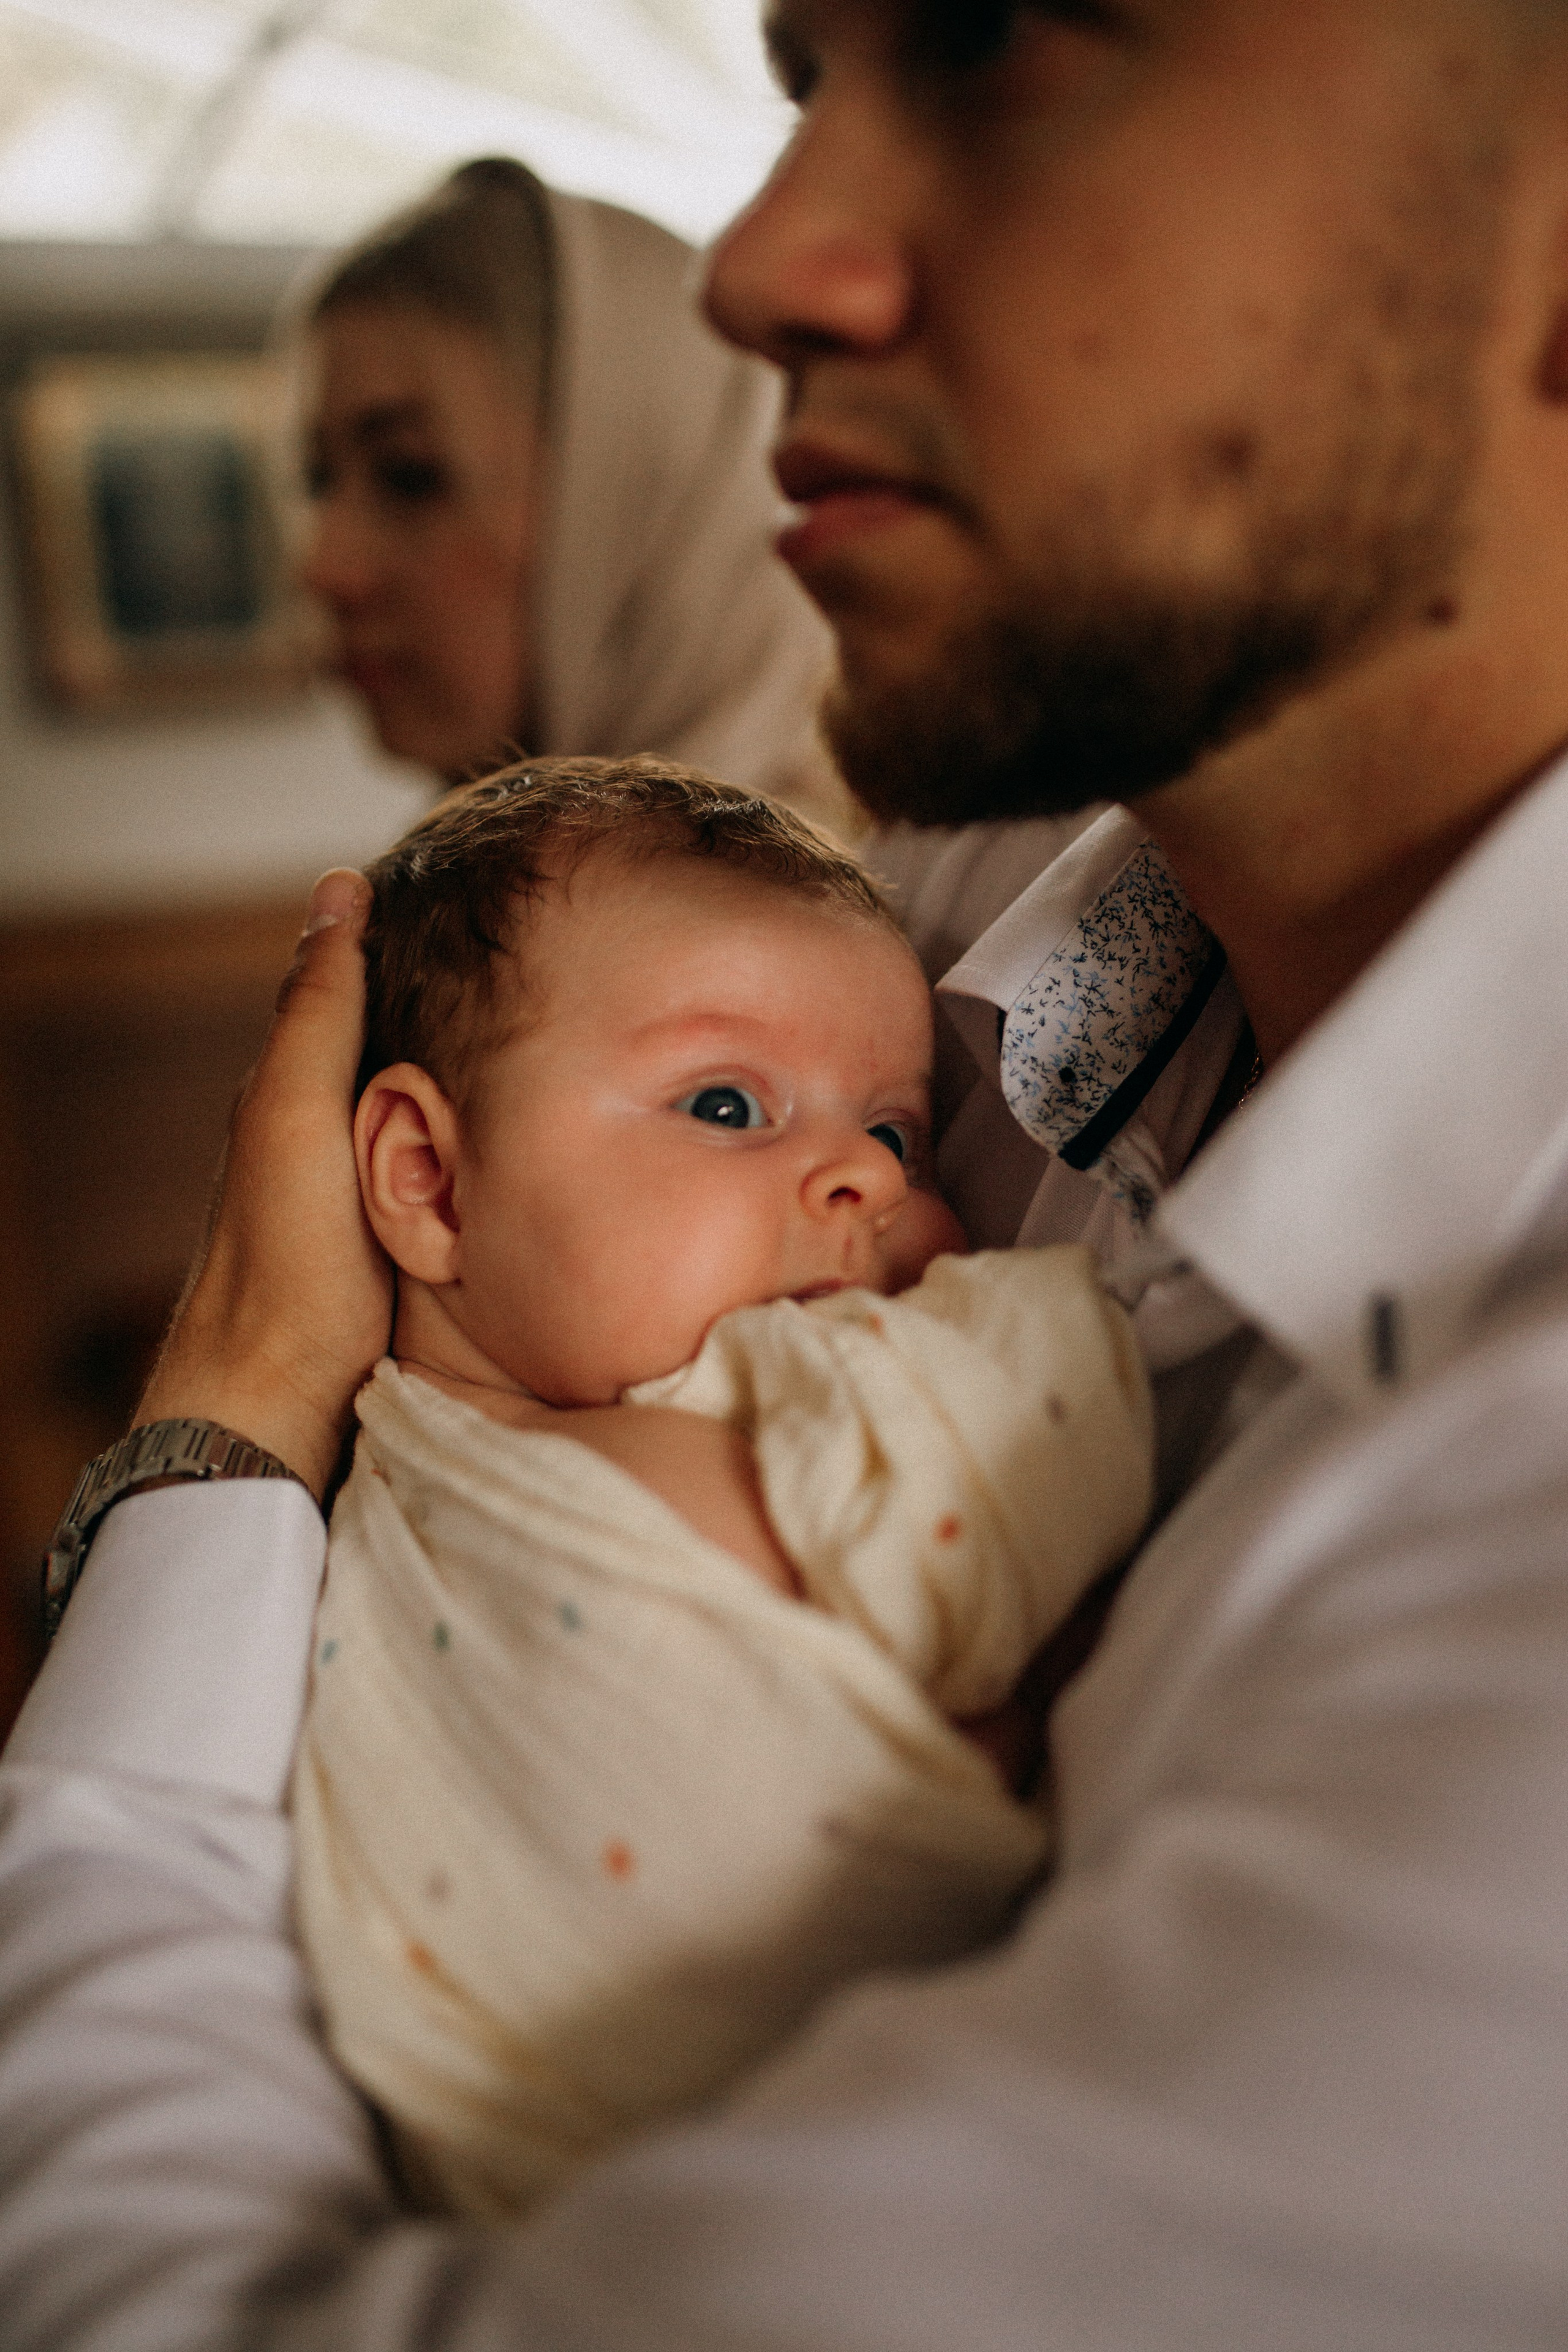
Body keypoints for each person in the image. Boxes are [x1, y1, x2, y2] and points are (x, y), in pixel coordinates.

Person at [4, 1, 1568, 2343]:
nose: (751, 261)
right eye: (804, 72)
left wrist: (225, 1434)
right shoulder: (935, 915)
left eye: (999, 42)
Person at [295, 758, 1150, 2218]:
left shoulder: (772, 1394)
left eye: (892, 1129)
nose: (858, 1184)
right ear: (430, 1180)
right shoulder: (819, 1419)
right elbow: (1064, 1412)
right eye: (725, 1103)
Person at [294, 156, 853, 831]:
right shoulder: (495, 885)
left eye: (410, 477)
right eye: (319, 480)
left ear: (638, 499)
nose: (326, 568)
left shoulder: (785, 917)